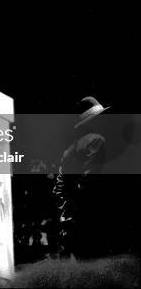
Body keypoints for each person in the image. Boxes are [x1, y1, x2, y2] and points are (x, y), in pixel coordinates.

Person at [52, 96, 110, 259]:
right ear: (93, 122)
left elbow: (59, 186)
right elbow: (89, 178)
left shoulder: (69, 149)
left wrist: (67, 212)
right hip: (90, 210)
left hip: (72, 211)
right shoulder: (98, 140)